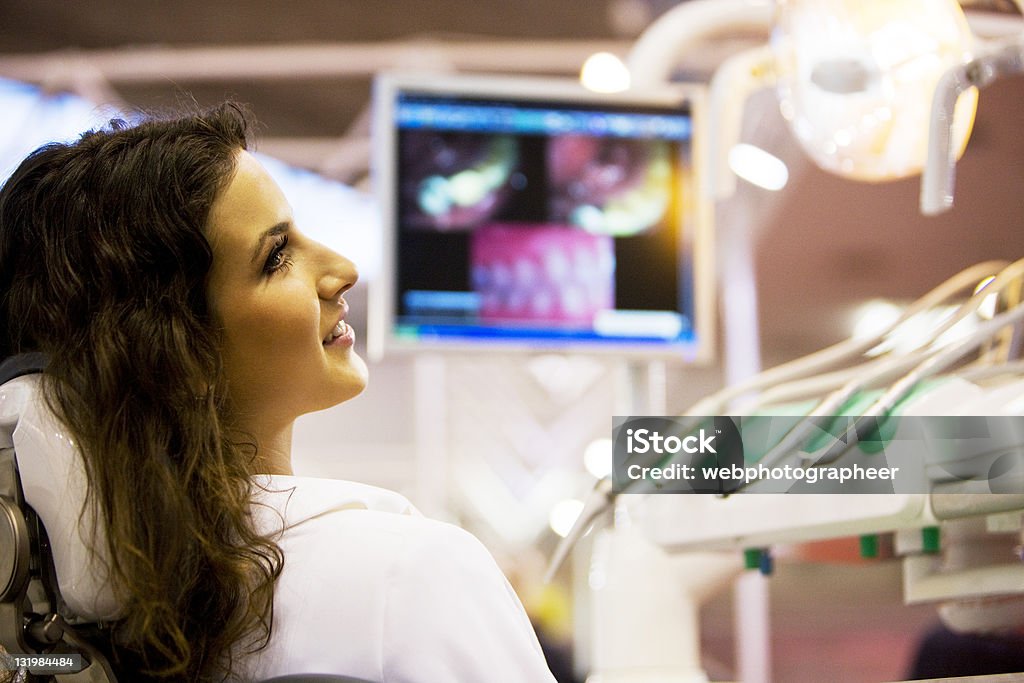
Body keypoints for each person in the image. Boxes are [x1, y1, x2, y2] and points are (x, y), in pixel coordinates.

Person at [0, 104, 558, 682]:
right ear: (174, 351)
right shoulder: (410, 577)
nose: (343, 268)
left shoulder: (46, 628)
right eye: (276, 257)